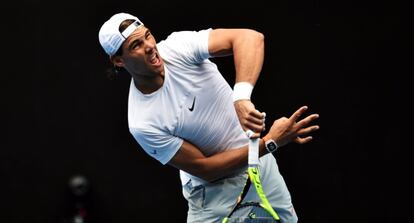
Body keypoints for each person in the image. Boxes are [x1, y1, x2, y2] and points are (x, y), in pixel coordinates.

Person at [98, 12, 319, 223]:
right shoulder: (142, 122)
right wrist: (270, 143)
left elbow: (249, 38)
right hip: (213, 195)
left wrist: (241, 97)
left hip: (260, 166)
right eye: (136, 46)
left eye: (147, 35)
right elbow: (206, 168)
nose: (149, 47)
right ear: (118, 60)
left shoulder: (177, 47)